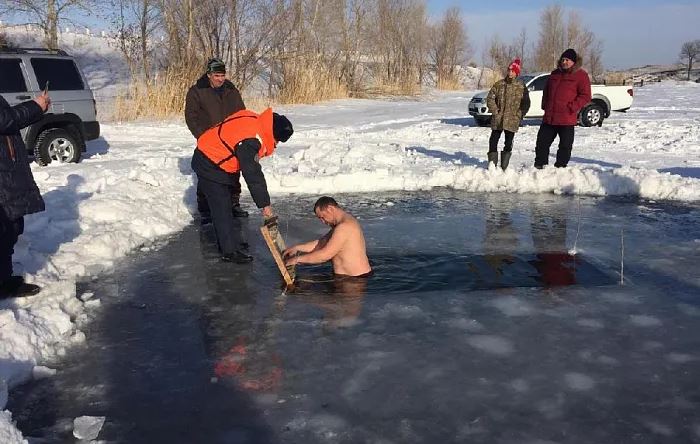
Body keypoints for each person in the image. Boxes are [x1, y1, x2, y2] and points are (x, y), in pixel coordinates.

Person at [192, 107, 293, 263]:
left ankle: (229, 239)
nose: (276, 144)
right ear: (273, 134)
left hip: (214, 153)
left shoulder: (256, 120)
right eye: (278, 140)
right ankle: (229, 252)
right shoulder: (252, 140)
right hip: (209, 160)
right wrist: (265, 205)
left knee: (227, 202)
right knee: (222, 207)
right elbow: (253, 174)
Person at [1, 90, 51, 299]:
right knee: (4, 229)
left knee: (10, 227)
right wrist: (35, 106)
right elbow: (4, 120)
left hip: (6, 170)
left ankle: (4, 278)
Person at [185, 58, 248, 222]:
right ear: (209, 75)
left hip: (230, 139)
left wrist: (240, 133)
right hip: (208, 140)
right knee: (207, 173)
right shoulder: (197, 91)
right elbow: (191, 118)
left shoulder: (231, 89)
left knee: (233, 170)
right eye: (217, 75)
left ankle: (233, 203)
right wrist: (203, 136)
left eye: (223, 75)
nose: (221, 79)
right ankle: (205, 206)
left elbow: (241, 112)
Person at [283, 197, 372, 277]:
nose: (322, 221)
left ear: (330, 209)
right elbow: (322, 243)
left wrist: (297, 260)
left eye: (322, 217)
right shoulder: (343, 223)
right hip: (349, 278)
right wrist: (297, 248)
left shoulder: (344, 227)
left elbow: (325, 255)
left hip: (353, 281)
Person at [534, 48, 592, 169]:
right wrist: (545, 105)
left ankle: (560, 169)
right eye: (563, 59)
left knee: (565, 146)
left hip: (566, 118)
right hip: (550, 117)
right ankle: (540, 167)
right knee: (542, 143)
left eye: (567, 60)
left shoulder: (581, 75)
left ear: (574, 62)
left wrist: (572, 107)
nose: (564, 62)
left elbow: (585, 95)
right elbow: (546, 91)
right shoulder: (555, 74)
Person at [485, 58, 530, 170]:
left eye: (513, 71)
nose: (510, 72)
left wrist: (520, 114)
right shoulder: (499, 84)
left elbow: (526, 103)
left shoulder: (521, 86)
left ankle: (504, 166)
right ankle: (492, 165)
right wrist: (495, 111)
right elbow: (490, 98)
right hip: (498, 118)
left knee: (508, 142)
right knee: (493, 140)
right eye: (509, 70)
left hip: (512, 119)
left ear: (517, 72)